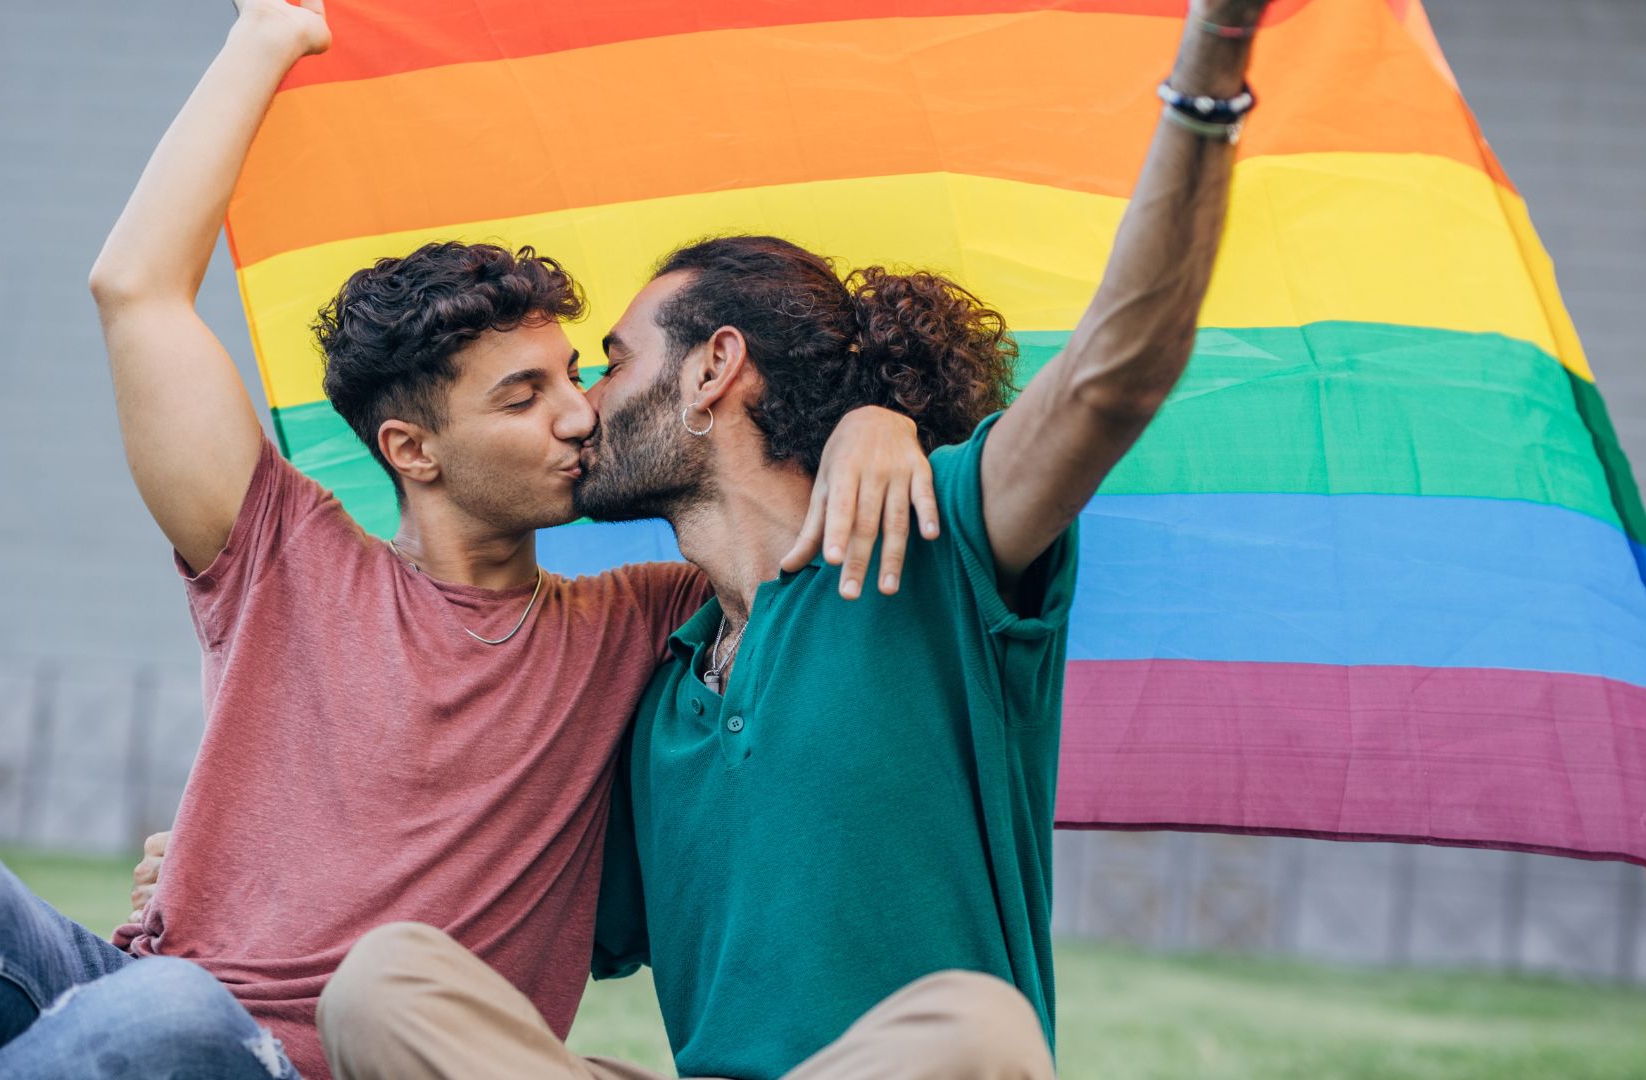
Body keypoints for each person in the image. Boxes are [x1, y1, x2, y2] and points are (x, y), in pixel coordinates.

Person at [0, 1, 938, 1077]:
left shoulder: (641, 624)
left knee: (168, 1014)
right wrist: (266, 36)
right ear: (413, 451)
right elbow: (136, 291)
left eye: (572, 373)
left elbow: (789, 527)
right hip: (143, 997)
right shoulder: (278, 556)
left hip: (275, 1056)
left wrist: (878, 425)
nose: (580, 414)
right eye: (522, 399)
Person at [308, 1, 1279, 1078]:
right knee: (386, 984)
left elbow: (1115, 372)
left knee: (975, 1028)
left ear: (715, 369)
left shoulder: (933, 542)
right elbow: (474, 889)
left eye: (613, 363)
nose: (581, 410)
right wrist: (233, 863)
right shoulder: (656, 689)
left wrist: (1213, 66)